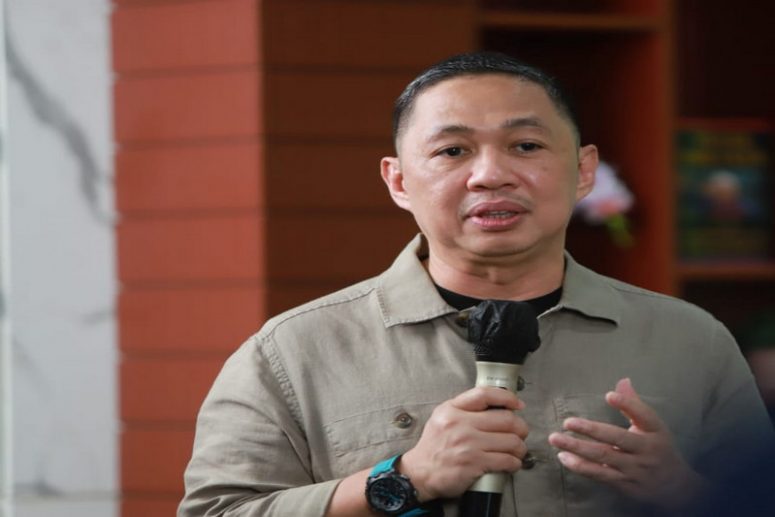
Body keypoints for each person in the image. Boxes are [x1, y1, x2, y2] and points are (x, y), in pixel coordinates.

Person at [178, 52, 774, 517]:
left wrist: (687, 493)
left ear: (584, 170)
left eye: (526, 146)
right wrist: (402, 479)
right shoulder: (293, 352)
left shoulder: (690, 340)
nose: (490, 174)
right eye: (453, 150)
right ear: (398, 181)